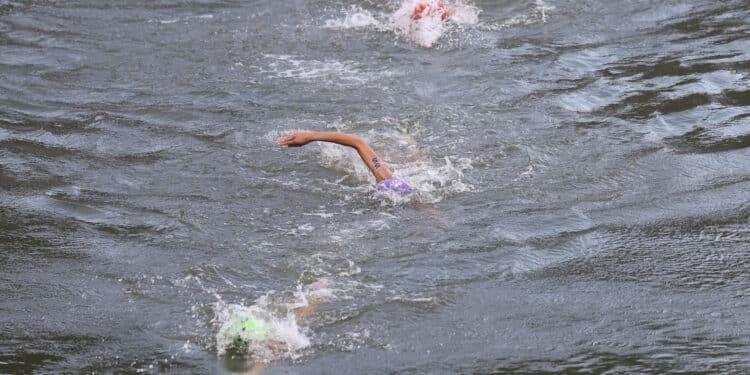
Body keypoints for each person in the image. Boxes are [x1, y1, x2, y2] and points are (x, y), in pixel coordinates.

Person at [277, 131, 413, 195]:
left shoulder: (385, 179)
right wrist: (311, 136)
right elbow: (357, 142)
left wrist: (312, 136)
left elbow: (357, 142)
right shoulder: (386, 179)